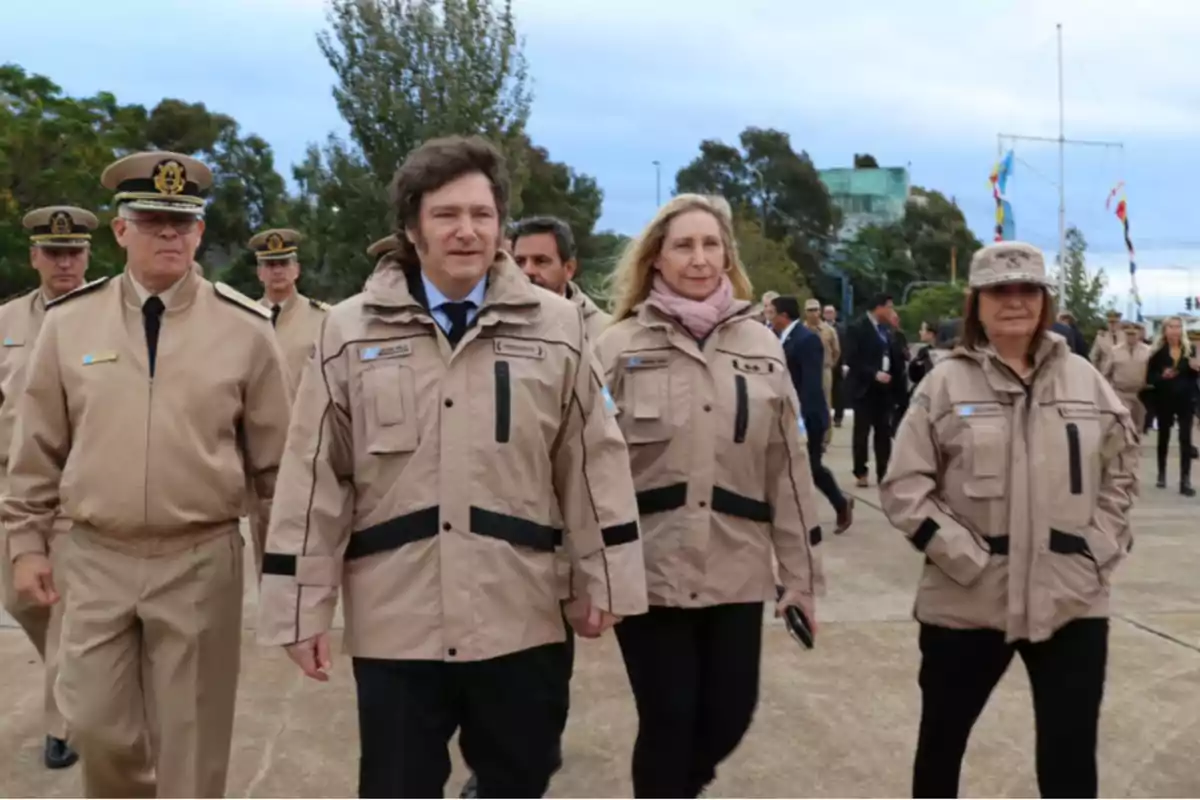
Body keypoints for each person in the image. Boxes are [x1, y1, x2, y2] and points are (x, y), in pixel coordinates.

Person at [256, 135, 647, 799]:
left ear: (499, 224)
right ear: (412, 227)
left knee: (519, 780)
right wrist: (300, 608)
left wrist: (604, 578)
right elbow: (317, 475)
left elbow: (590, 462)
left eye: (482, 214)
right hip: (397, 623)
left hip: (520, 614)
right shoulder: (350, 331)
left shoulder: (557, 328)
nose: (466, 231)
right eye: (446, 215)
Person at [1, 150, 293, 797]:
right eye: (153, 219)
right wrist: (25, 546)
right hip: (95, 556)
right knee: (100, 731)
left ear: (199, 233)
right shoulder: (69, 324)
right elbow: (36, 451)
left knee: (192, 744)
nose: (169, 233)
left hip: (199, 559)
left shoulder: (245, 329)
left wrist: (285, 574)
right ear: (121, 229)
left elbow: (276, 470)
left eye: (182, 222)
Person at [880, 241, 1138, 799]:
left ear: (1045, 301)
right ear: (977, 303)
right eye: (1001, 291)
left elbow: (1122, 467)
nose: (1015, 301)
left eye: (1028, 290)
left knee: (1071, 763)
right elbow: (904, 486)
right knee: (941, 750)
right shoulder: (943, 384)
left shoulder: (1085, 380)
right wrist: (962, 558)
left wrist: (1098, 551)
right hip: (966, 601)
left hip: (1072, 601)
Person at [596, 194, 823, 799]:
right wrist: (587, 571)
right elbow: (586, 469)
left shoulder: (762, 348)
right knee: (668, 718)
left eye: (710, 245)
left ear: (727, 257)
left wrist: (801, 577)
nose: (699, 259)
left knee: (729, 713)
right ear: (656, 260)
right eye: (683, 246)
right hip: (649, 570)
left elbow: (789, 470)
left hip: (736, 567)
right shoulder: (615, 349)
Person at [0, 205, 99, 771]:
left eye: (74, 253)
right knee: (21, 599)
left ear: (88, 255)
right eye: (53, 252)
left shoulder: (106, 315)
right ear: (35, 256)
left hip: (75, 488)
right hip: (14, 486)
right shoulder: (8, 322)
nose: (65, 262)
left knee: (60, 604)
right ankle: (89, 678)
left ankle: (63, 724)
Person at [772, 296, 854, 533]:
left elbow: (810, 385)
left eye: (772, 312)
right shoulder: (783, 338)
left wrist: (801, 422)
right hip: (789, 414)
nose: (769, 317)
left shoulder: (807, 340)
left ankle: (839, 504)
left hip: (807, 416)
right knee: (798, 467)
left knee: (810, 466)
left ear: (784, 315)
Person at [250, 227, 330, 394]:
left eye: (284, 263)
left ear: (297, 270)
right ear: (259, 273)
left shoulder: (322, 318)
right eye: (270, 265)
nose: (278, 271)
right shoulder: (246, 317)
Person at [512, 215, 611, 341]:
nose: (527, 270)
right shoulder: (492, 321)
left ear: (569, 268)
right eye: (519, 261)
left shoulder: (604, 333)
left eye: (541, 261)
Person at [843, 293, 903, 486]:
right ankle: (861, 470)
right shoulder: (857, 328)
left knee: (883, 432)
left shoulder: (887, 330)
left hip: (884, 389)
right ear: (878, 308)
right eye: (889, 307)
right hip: (864, 387)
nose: (892, 311)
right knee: (862, 431)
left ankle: (884, 471)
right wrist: (873, 373)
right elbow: (852, 358)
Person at [1147, 315, 1198, 496]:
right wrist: (1162, 377)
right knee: (1164, 436)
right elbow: (1150, 377)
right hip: (1165, 399)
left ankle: (1185, 480)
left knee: (1185, 439)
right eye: (1171, 327)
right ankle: (1162, 473)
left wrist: (1195, 368)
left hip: (1185, 400)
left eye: (1178, 327)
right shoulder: (1158, 352)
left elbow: (1194, 377)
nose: (1175, 330)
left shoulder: (1189, 349)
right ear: (1165, 330)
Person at [803, 298, 840, 447]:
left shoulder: (829, 330)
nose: (814, 313)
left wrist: (830, 365)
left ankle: (825, 438)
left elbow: (836, 351)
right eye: (810, 310)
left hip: (824, 369)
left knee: (825, 402)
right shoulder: (802, 329)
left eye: (816, 310)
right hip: (805, 370)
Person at [1105, 320, 1152, 434]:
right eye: (1128, 334)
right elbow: (1106, 373)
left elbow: (1153, 372)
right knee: (1122, 425)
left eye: (1134, 334)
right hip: (1121, 392)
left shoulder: (1148, 351)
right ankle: (1122, 450)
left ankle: (1136, 449)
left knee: (1138, 427)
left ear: (1139, 334)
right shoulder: (1115, 350)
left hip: (1139, 394)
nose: (1131, 337)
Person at [824, 305, 847, 427]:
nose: (828, 315)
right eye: (826, 312)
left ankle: (838, 417)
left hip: (838, 364)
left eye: (830, 312)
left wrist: (845, 363)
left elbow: (845, 346)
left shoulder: (842, 329)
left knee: (839, 392)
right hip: (824, 364)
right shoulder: (819, 329)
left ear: (835, 314)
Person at [907, 319, 939, 391]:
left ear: (931, 334)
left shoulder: (942, 352)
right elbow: (915, 378)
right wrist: (914, 365)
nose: (920, 332)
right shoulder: (923, 351)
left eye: (922, 329)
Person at [1089, 309, 1122, 376]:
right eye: (1110, 322)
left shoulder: (1125, 337)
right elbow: (1093, 357)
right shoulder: (1101, 337)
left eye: (1115, 322)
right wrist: (1096, 374)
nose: (1113, 325)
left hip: (1121, 375)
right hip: (1105, 374)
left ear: (1119, 323)